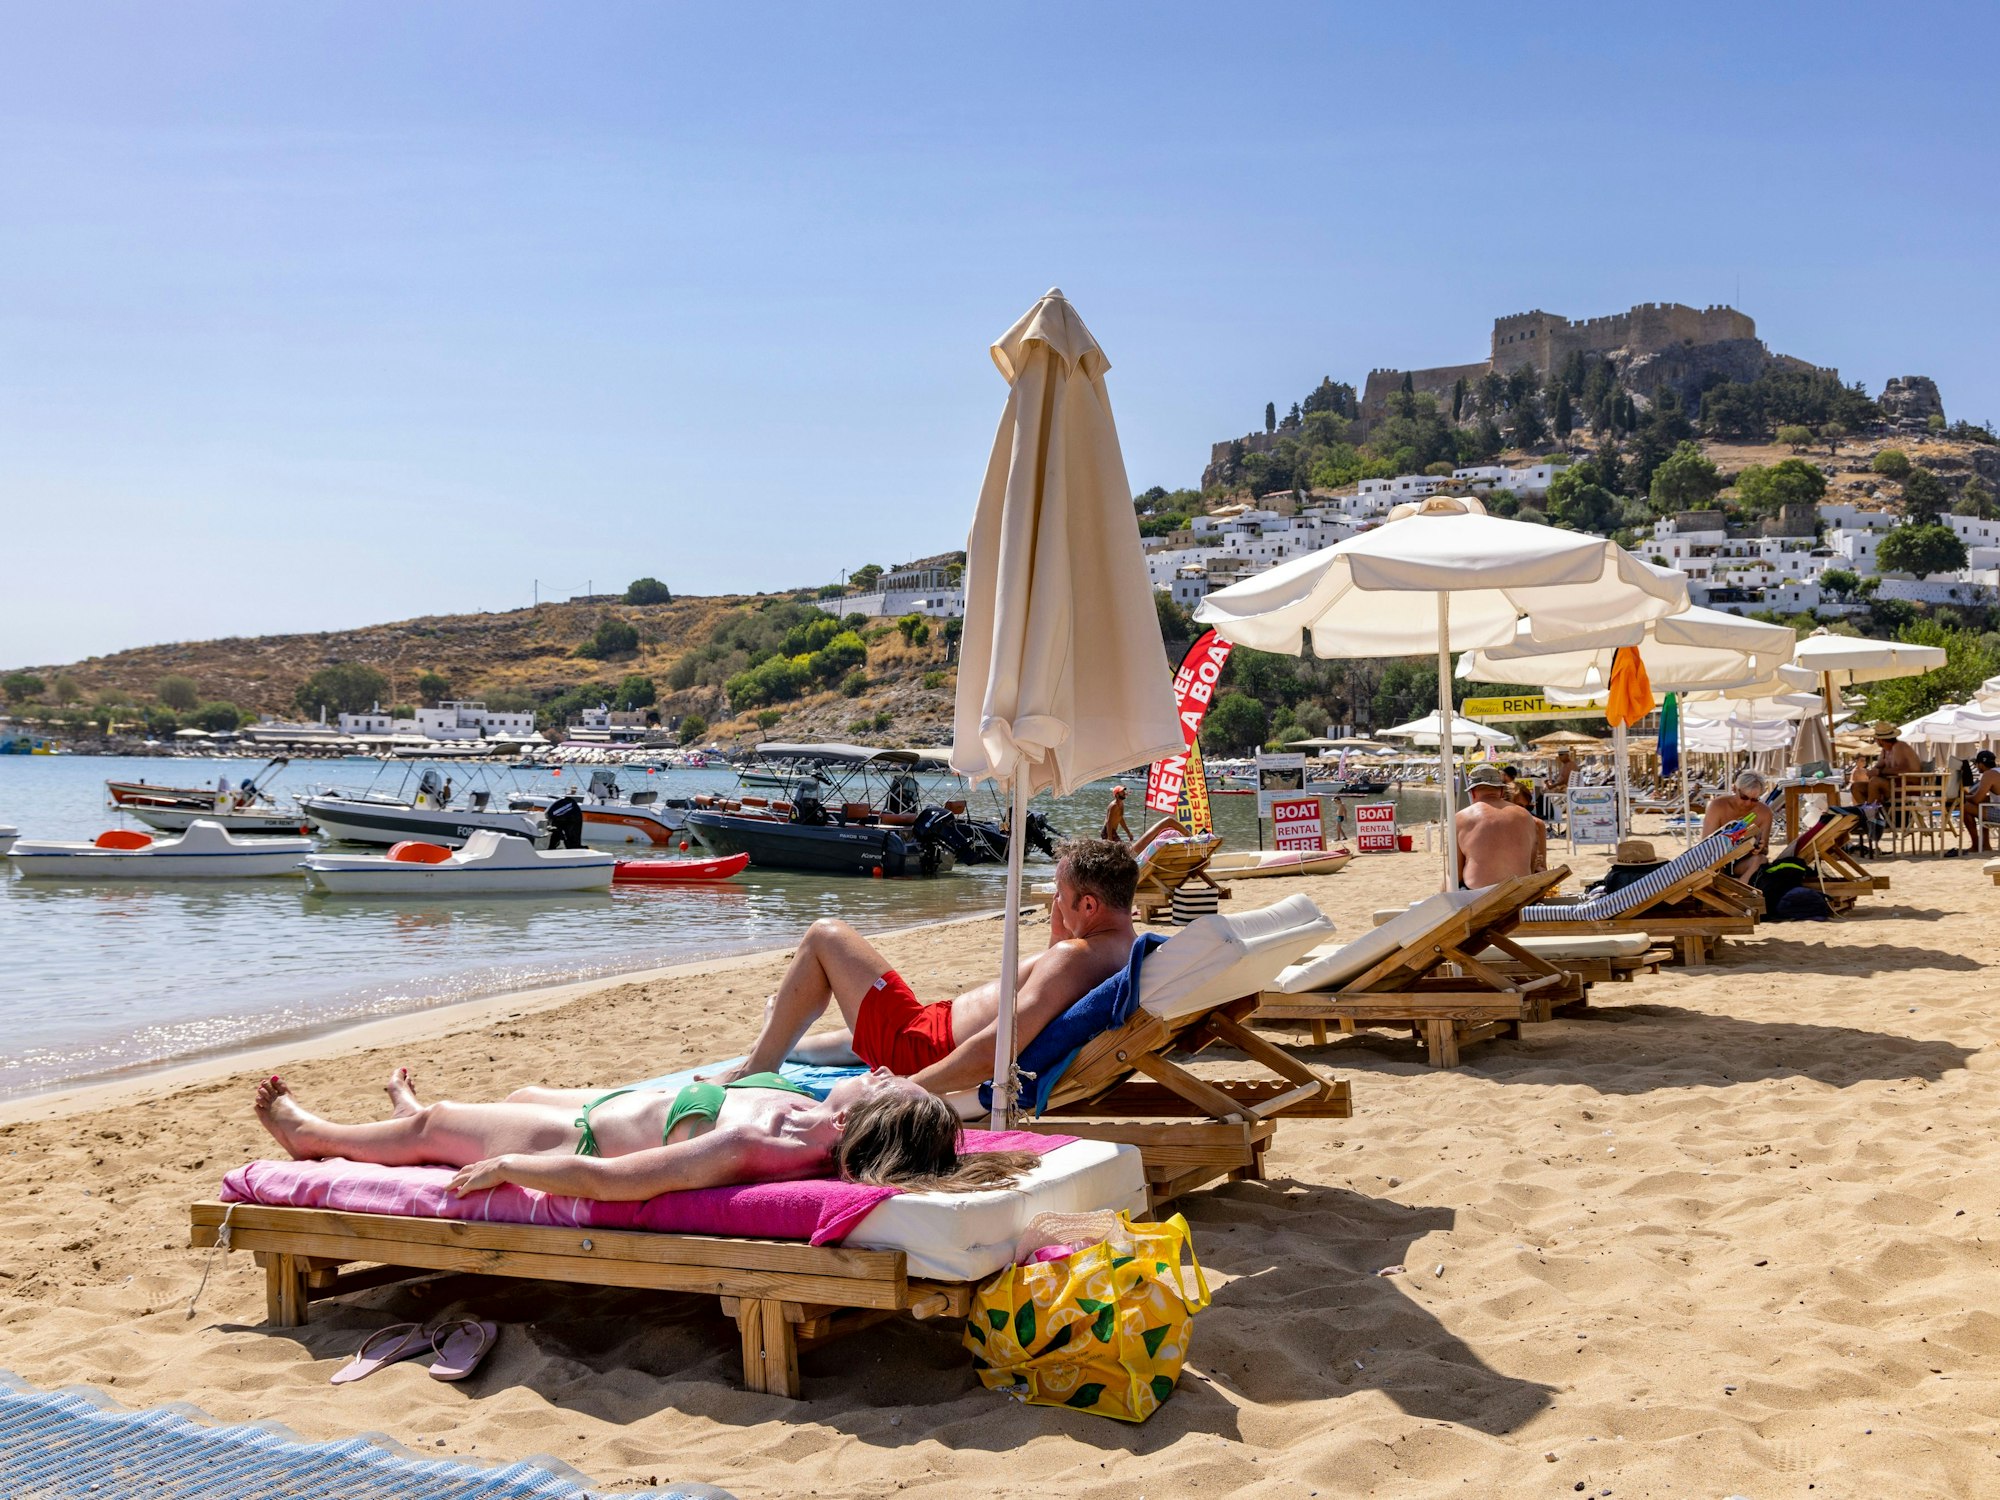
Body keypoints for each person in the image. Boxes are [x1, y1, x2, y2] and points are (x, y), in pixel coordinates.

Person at [704, 838, 1140, 1095]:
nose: (1054, 901)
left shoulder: (1073, 958)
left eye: (1060, 894)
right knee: (851, 1034)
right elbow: (1047, 989)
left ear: (1089, 905)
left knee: (825, 935)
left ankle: (756, 1068)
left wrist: (911, 1087)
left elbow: (997, 1046)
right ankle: (783, 1033)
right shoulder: (1121, 950)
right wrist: (1062, 926)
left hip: (919, 1047)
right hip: (929, 1025)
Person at [251, 1066, 1038, 1201]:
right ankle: (409, 1128)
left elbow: (618, 1183)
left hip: (578, 1141)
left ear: (854, 1121)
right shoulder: (808, 1116)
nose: (881, 1069)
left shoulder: (763, 1145)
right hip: (622, 1103)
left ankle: (312, 1135)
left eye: (886, 1084)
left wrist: (514, 1168)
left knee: (440, 1122)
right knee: (513, 1091)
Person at [1455, 763, 1547, 887]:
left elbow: (1456, 874)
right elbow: (1531, 867)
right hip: (1520, 890)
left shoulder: (1461, 817)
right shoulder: (1526, 816)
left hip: (1479, 894)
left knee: (1450, 880)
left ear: (1472, 793)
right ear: (1502, 791)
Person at [1703, 768, 1774, 876]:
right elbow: (1706, 845)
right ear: (1735, 789)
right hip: (1717, 859)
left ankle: (1741, 886)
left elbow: (1765, 850)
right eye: (1744, 797)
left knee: (1761, 860)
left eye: (1754, 800)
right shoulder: (1717, 806)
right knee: (1712, 863)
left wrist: (1760, 849)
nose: (1748, 803)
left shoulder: (1765, 813)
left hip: (1743, 862)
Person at [1849, 721, 1921, 808]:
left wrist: (1879, 772)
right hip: (1893, 786)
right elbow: (1878, 767)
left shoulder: (1899, 746)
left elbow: (1904, 769)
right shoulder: (1885, 751)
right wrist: (1873, 771)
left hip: (1908, 787)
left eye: (1876, 739)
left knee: (1875, 781)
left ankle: (1872, 812)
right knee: (1856, 787)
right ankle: (1867, 811)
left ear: (1880, 740)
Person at [1958, 750, 2000, 853]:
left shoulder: (1989, 774)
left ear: (1980, 764)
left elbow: (1977, 799)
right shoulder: (1998, 771)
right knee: (1981, 806)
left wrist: (1962, 797)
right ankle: (1985, 845)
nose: (1976, 767)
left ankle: (1976, 845)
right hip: (1997, 808)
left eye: (1976, 764)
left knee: (1963, 806)